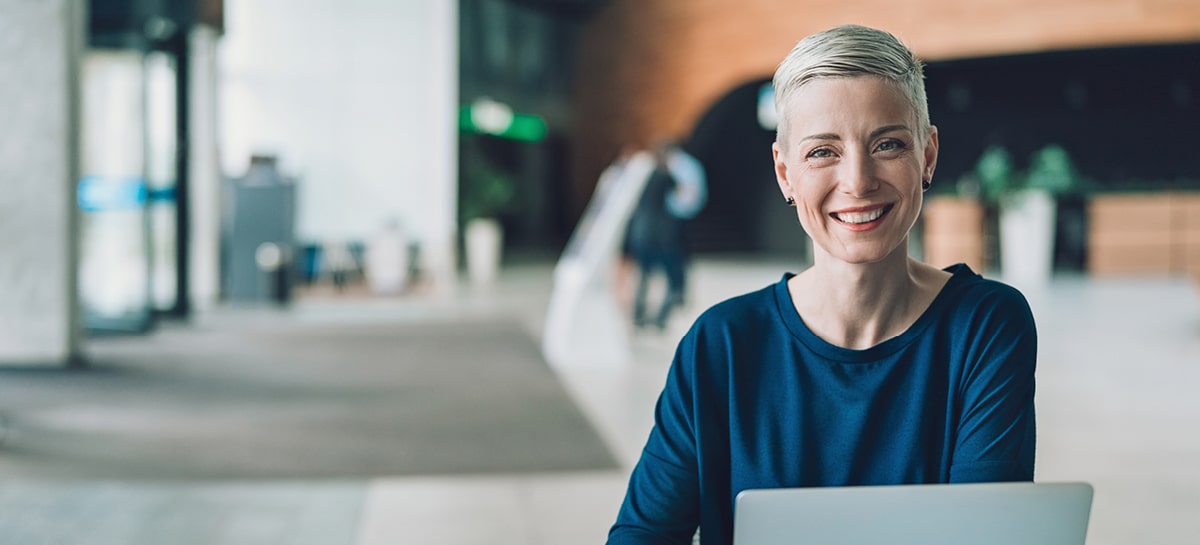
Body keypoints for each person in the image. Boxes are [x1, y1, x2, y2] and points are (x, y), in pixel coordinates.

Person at [606, 24, 1036, 545]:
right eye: (822, 152)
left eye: (888, 144)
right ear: (785, 173)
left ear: (927, 155)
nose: (857, 180)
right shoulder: (721, 344)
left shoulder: (985, 328)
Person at [624, 139, 708, 331]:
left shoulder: (645, 176)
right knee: (672, 277)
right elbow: (689, 196)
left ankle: (639, 316)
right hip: (664, 234)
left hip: (643, 233)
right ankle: (660, 318)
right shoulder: (669, 176)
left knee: (644, 275)